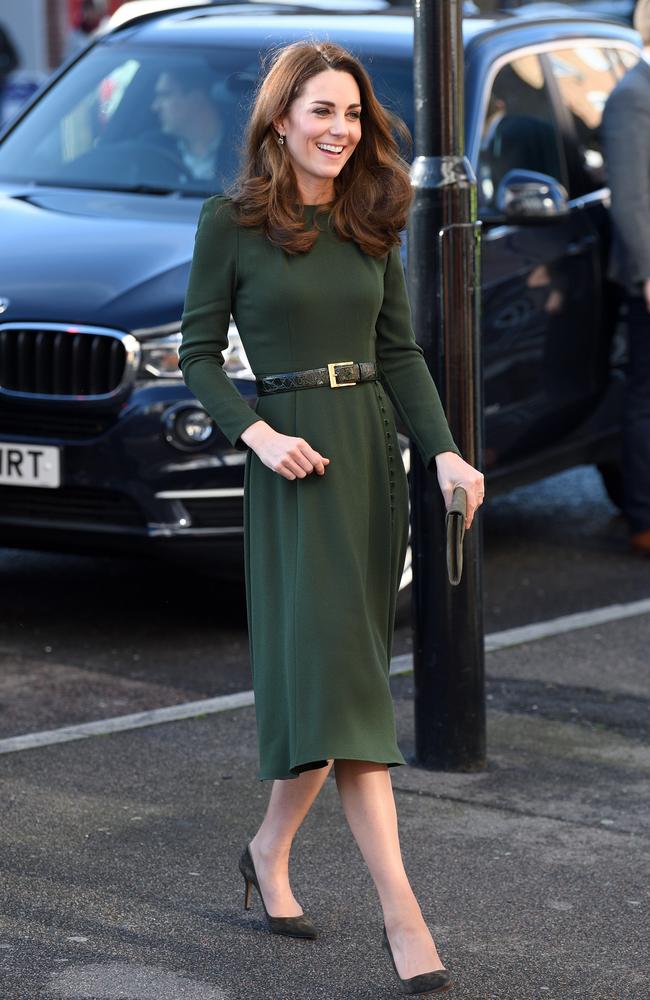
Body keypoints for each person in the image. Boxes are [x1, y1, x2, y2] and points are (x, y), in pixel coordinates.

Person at [179, 41, 483, 996]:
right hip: (292, 462)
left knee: (334, 680)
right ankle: (406, 918)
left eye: (351, 113)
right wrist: (257, 434)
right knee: (349, 691)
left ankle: (268, 851)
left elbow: (399, 354)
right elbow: (195, 357)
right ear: (281, 120)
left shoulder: (371, 220)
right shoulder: (230, 222)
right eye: (321, 112)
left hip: (367, 462)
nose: (339, 129)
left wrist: (441, 450)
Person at [601, 0, 650, 555]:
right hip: (646, 278)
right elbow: (631, 199)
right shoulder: (633, 97)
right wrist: (646, 274)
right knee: (645, 399)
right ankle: (643, 518)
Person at [151, 67, 224, 183]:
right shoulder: (151, 149)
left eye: (165, 95)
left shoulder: (244, 151)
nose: (155, 107)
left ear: (196, 99)